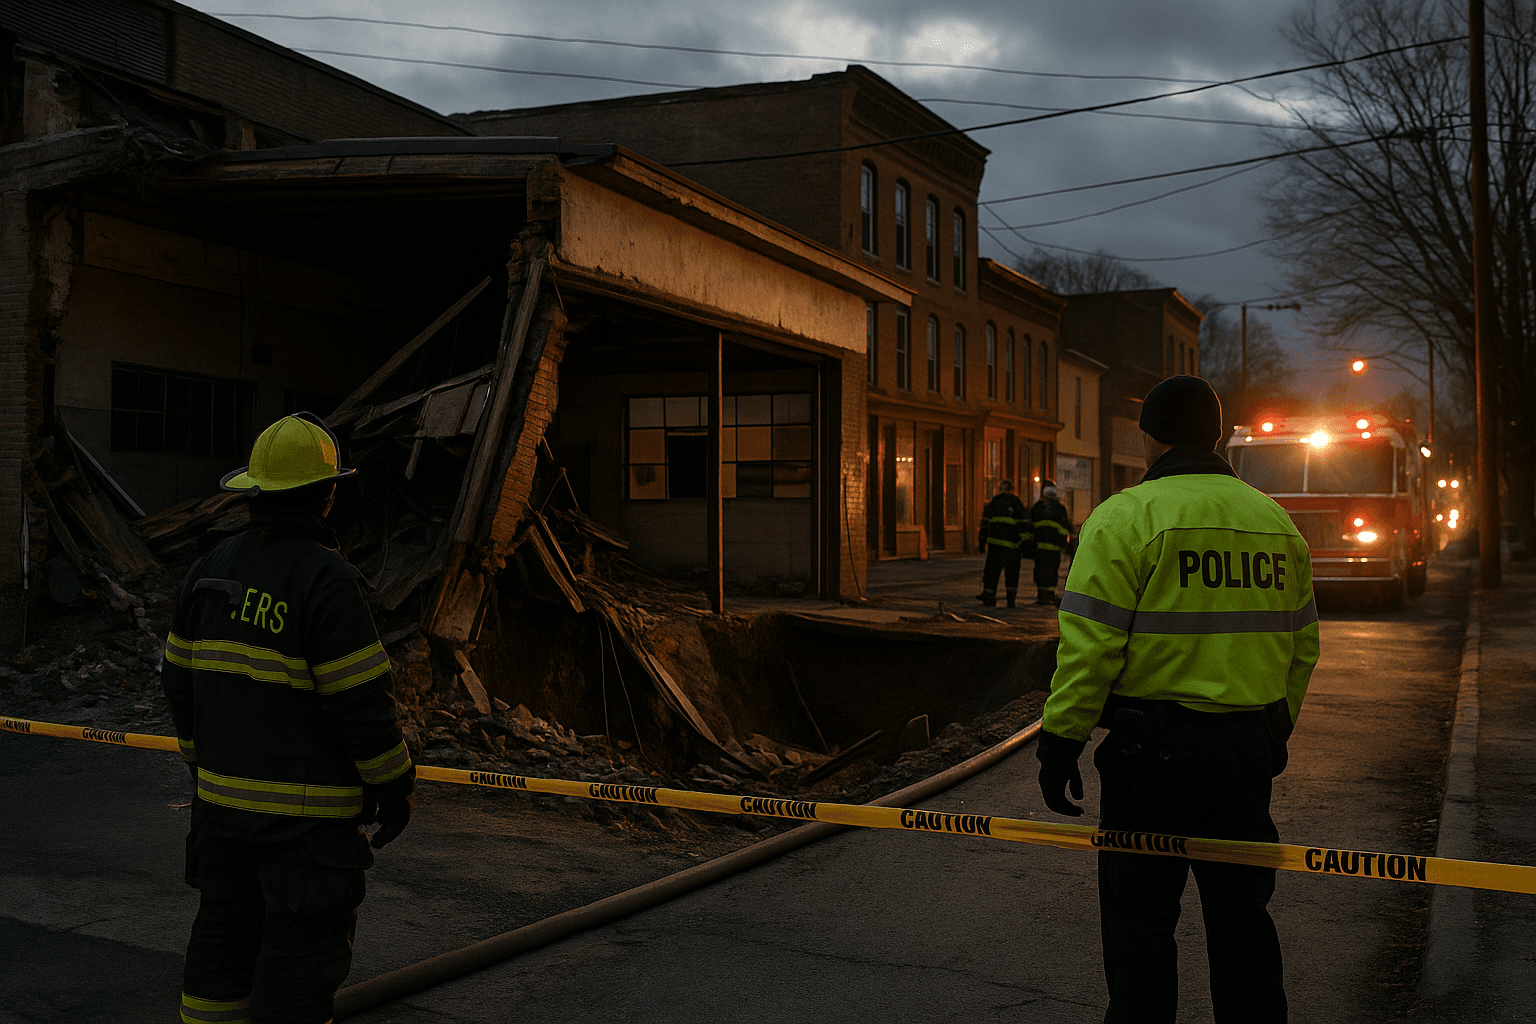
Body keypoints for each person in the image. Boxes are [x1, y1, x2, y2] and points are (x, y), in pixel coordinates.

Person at [1035, 375, 1319, 1024]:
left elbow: (1089, 651)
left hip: (1150, 760)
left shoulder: (1125, 518)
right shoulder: (1275, 523)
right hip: (1243, 756)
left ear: (1150, 438)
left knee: (1139, 929)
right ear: (1215, 436)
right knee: (1243, 922)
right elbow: (1302, 647)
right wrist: (1274, 730)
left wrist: (1061, 744)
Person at [161, 413, 415, 1024]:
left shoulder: (209, 568)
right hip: (307, 832)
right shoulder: (327, 580)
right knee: (297, 970)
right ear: (327, 494)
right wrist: (394, 784)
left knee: (221, 950)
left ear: (255, 491)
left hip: (221, 816)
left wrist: (205, 765)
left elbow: (178, 681)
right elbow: (360, 702)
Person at [977, 479, 1031, 607]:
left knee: (991, 572)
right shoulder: (1017, 503)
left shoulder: (994, 502)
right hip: (1012, 547)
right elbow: (1024, 525)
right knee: (1012, 574)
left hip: (995, 546)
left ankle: (989, 596)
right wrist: (1024, 544)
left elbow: (985, 523)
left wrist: (981, 542)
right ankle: (1010, 600)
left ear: (1001, 488)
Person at [1029, 481, 1073, 605]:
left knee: (1045, 571)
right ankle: (1045, 595)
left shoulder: (1039, 508)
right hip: (1049, 548)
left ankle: (1045, 595)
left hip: (1047, 548)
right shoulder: (1058, 509)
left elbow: (1064, 528)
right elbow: (1065, 528)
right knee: (1047, 571)